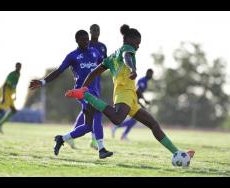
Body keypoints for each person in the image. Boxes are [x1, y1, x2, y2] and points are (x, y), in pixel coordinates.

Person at [65, 24, 195, 161]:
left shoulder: (111, 57)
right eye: (137, 43)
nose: (138, 46)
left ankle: (177, 153)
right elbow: (127, 56)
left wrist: (82, 87)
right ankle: (87, 96)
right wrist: (132, 69)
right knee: (117, 119)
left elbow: (93, 72)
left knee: (153, 124)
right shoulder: (128, 48)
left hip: (130, 95)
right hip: (124, 92)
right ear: (130, 40)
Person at [29, 29, 113, 159]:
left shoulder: (95, 52)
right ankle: (101, 149)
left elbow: (106, 65)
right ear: (77, 41)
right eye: (83, 39)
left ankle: (62, 138)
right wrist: (42, 82)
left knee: (87, 126)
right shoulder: (72, 56)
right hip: (82, 92)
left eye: (87, 39)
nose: (86, 42)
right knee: (98, 112)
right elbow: (59, 71)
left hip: (95, 91)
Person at [71, 24, 107, 150]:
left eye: (98, 29)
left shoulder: (102, 47)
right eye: (94, 30)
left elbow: (105, 64)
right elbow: (77, 63)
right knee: (95, 110)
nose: (96, 32)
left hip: (96, 83)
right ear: (90, 32)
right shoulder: (86, 45)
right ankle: (95, 141)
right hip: (86, 85)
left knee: (86, 111)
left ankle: (70, 137)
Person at [111, 69, 154, 141]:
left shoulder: (145, 81)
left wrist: (142, 102)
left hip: (135, 99)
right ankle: (117, 127)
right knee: (134, 119)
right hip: (133, 99)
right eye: (151, 74)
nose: (151, 76)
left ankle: (123, 134)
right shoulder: (143, 80)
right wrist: (144, 101)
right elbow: (138, 91)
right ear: (148, 73)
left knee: (134, 120)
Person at [0, 62, 22, 134]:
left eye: (20, 67)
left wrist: (15, 95)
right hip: (4, 92)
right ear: (15, 67)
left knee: (13, 110)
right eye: (17, 66)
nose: (19, 68)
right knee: (0, 110)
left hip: (9, 93)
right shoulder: (12, 74)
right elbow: (5, 85)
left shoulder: (18, 74)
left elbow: (14, 85)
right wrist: (3, 97)